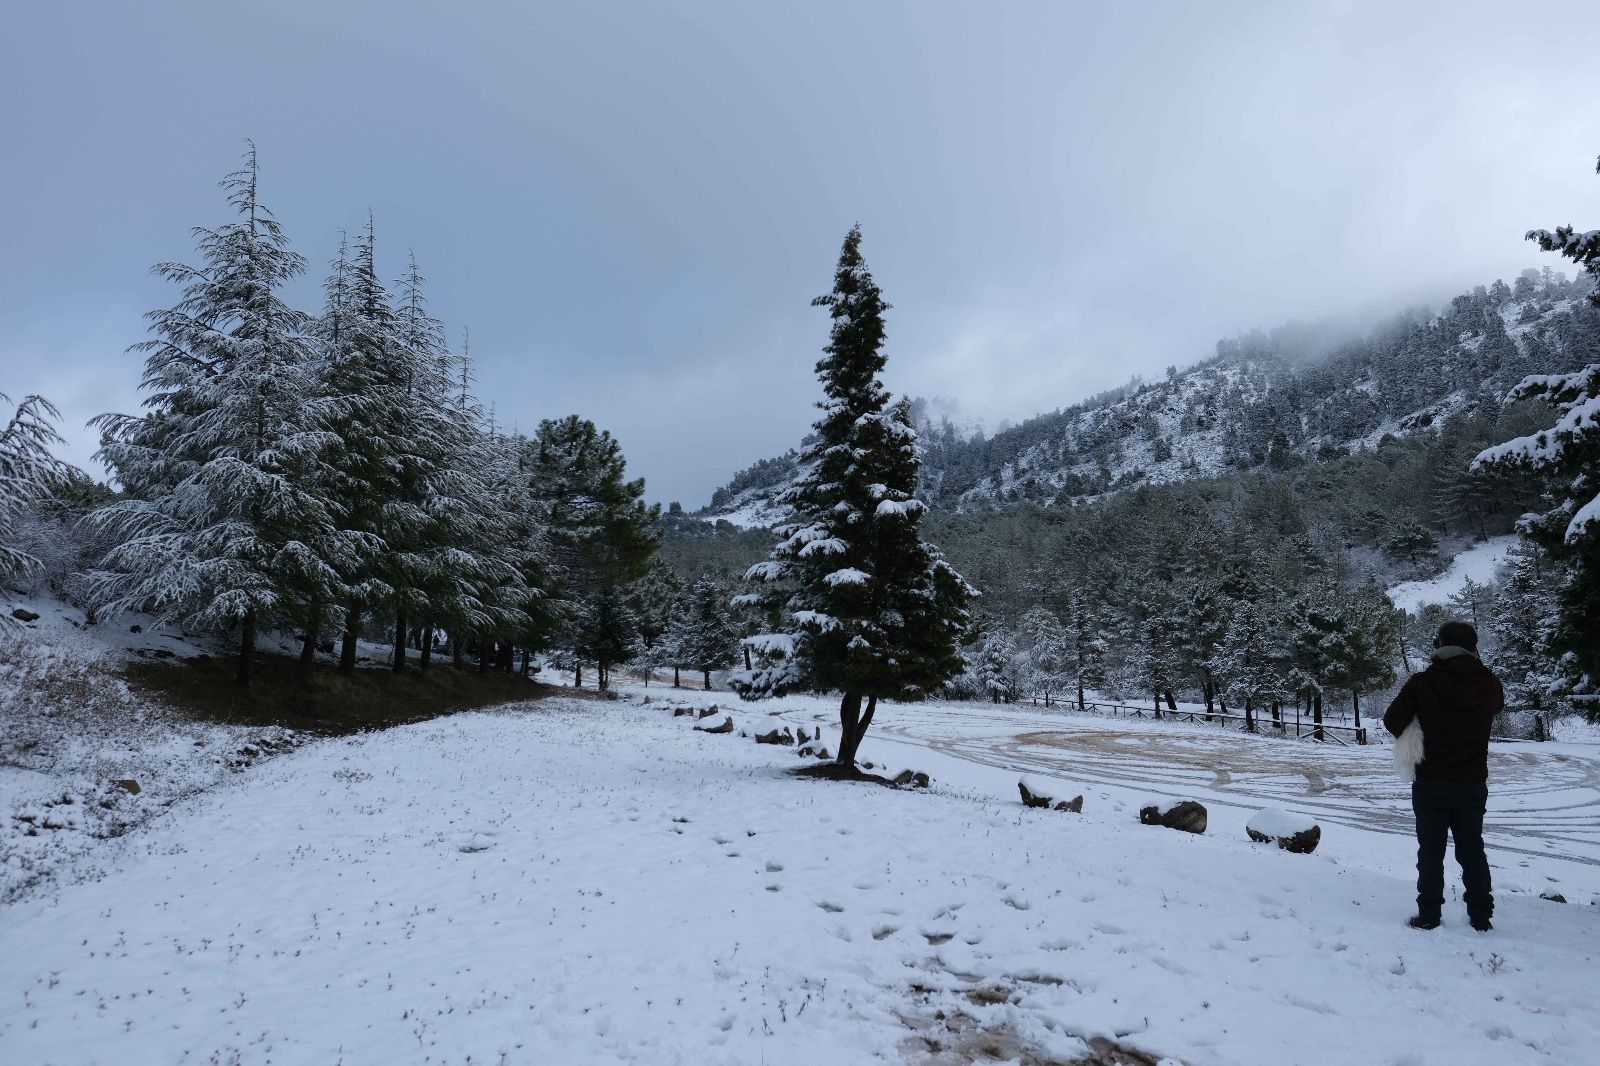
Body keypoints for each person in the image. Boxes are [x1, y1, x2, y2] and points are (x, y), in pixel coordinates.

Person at [1383, 620, 1503, 931]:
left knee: (1431, 849)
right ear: (1474, 649)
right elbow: (1497, 707)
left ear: (1440, 646)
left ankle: (1429, 915)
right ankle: (1481, 917)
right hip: (1472, 781)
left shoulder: (1422, 682)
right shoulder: (1489, 683)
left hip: (1431, 781)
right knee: (1472, 848)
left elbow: (1392, 720)